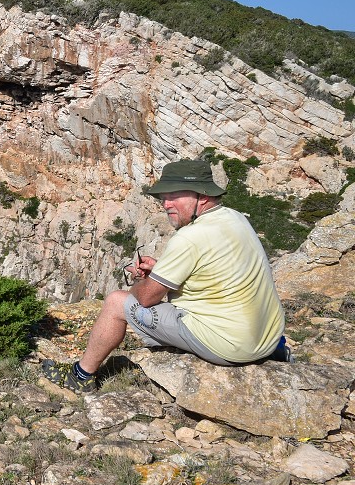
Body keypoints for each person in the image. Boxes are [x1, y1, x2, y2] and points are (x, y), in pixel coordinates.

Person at [42, 159, 289, 393]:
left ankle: (81, 376)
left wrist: (141, 280)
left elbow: (147, 298)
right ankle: (274, 352)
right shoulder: (234, 218)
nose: (166, 203)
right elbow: (218, 266)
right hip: (268, 338)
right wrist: (162, 270)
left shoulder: (190, 237)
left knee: (117, 302)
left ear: (201, 197)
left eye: (175, 195)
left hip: (231, 346)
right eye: (164, 196)